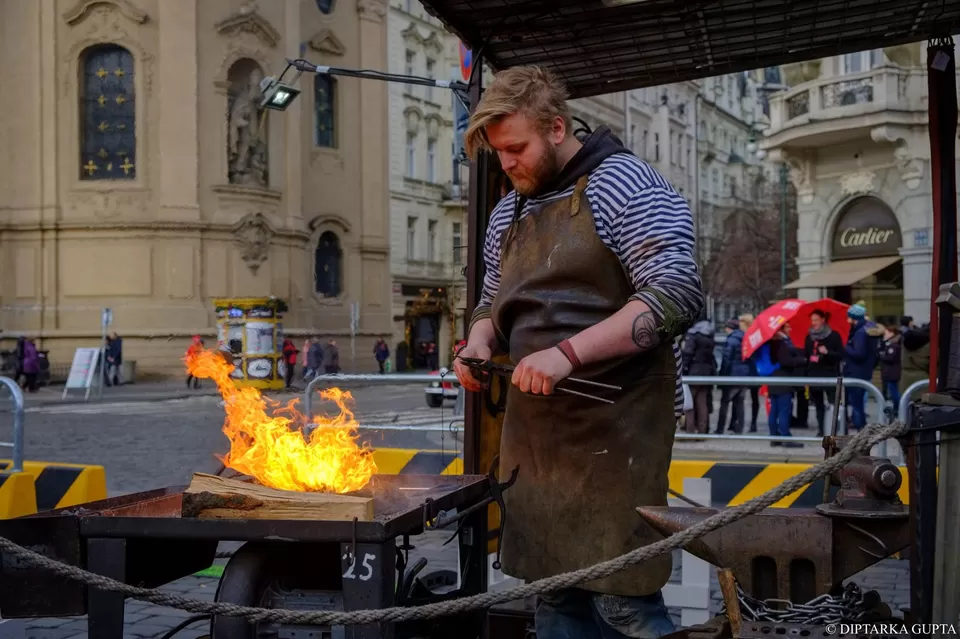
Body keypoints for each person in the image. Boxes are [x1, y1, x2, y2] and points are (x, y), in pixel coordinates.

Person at [453, 65, 703, 639]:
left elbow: (677, 292)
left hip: (618, 434)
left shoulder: (624, 184)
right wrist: (478, 342)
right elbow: (491, 301)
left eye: (516, 148)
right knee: (555, 597)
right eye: (498, 152)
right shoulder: (508, 212)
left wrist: (567, 354)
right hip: (535, 442)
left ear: (557, 128)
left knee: (623, 604)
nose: (506, 163)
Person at [803, 309, 843, 435]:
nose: (813, 323)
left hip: (830, 374)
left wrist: (827, 353)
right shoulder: (809, 337)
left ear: (823, 320)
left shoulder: (833, 336)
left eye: (816, 320)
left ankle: (833, 429)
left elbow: (841, 355)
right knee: (818, 405)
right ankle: (821, 429)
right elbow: (806, 355)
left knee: (833, 404)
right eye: (812, 320)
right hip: (814, 375)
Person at [843, 304, 882, 431]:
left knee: (857, 403)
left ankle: (860, 426)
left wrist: (846, 347)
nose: (847, 319)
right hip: (864, 370)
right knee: (858, 402)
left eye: (849, 317)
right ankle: (860, 425)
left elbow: (859, 353)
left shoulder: (860, 332)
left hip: (856, 371)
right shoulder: (869, 329)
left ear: (854, 318)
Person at [767, 323, 806, 447]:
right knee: (784, 410)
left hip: (773, 378)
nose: (790, 329)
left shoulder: (771, 342)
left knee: (774, 410)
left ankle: (774, 436)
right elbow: (786, 361)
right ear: (781, 329)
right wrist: (802, 360)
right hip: (783, 379)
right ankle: (785, 437)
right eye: (788, 327)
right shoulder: (781, 343)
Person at [683, 319, 717, 434]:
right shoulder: (710, 338)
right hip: (707, 372)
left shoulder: (694, 336)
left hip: (693, 372)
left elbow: (687, 353)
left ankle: (690, 430)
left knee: (689, 403)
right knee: (702, 403)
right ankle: (702, 431)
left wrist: (683, 368)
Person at [717, 318, 749, 433]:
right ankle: (739, 428)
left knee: (724, 402)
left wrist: (722, 376)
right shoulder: (744, 338)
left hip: (732, 375)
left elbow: (727, 360)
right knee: (739, 403)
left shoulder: (731, 340)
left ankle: (720, 428)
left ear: (729, 328)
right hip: (744, 375)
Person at [739, 314, 760, 432]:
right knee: (753, 399)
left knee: (746, 398)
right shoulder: (755, 336)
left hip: (749, 370)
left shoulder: (749, 337)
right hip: (753, 370)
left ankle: (751, 423)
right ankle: (753, 423)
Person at [878, 322, 902, 415]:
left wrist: (882, 355)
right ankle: (896, 408)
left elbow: (889, 358)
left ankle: (897, 408)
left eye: (887, 333)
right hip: (889, 371)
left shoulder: (893, 345)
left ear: (892, 333)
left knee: (894, 392)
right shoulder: (888, 344)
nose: (885, 334)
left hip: (892, 372)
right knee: (891, 390)